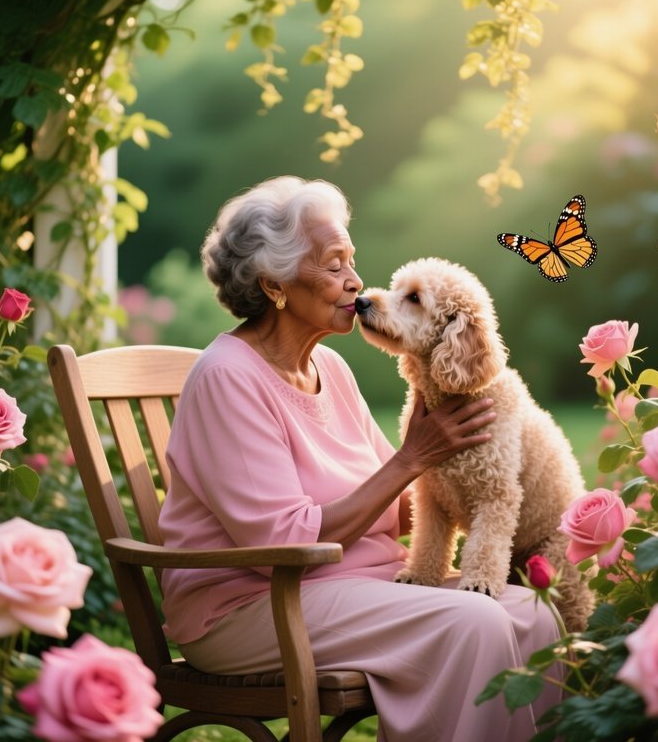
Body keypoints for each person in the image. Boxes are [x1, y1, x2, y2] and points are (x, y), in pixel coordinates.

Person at [158, 176, 562, 741]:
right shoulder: (228, 377)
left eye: (352, 259)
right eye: (333, 264)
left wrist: (499, 473)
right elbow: (282, 547)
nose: (355, 281)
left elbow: (400, 508)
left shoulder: (333, 370)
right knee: (476, 621)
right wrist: (414, 457)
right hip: (255, 607)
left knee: (536, 613)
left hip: (353, 586)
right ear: (274, 282)